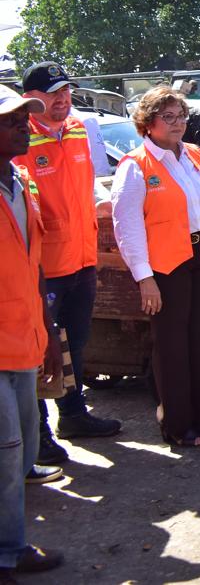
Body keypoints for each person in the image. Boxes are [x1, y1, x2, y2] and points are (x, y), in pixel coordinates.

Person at [111, 87, 200, 448]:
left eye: (181, 116)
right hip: (165, 265)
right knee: (172, 345)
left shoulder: (195, 155)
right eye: (168, 117)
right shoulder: (135, 166)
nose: (178, 123)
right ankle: (178, 425)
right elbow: (127, 226)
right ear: (148, 124)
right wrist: (144, 278)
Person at [16, 62, 122, 468]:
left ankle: (73, 414)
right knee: (41, 350)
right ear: (31, 98)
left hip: (82, 257)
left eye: (66, 91)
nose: (63, 99)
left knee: (74, 345)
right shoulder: (19, 139)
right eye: (54, 92)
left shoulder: (78, 128)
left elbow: (88, 180)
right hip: (44, 268)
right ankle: (39, 432)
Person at [0, 85, 66, 583]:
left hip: (24, 338)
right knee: (5, 453)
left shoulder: (20, 181)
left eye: (25, 119)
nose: (24, 127)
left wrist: (46, 332)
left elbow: (34, 263)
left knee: (18, 449)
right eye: (12, 122)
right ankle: (8, 551)